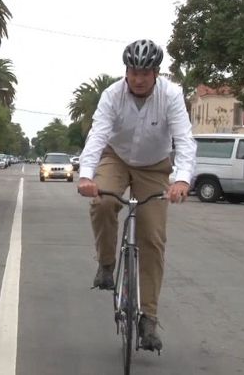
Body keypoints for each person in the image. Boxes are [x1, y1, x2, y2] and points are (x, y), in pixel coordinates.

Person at [76, 39, 196, 352]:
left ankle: (149, 320)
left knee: (153, 238)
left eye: (145, 72)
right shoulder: (111, 95)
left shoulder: (171, 95)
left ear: (156, 73)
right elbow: (98, 134)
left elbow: (184, 140)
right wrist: (87, 175)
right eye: (133, 71)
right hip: (115, 157)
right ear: (126, 71)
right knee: (103, 202)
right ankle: (105, 265)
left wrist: (181, 180)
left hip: (154, 167)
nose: (138, 78)